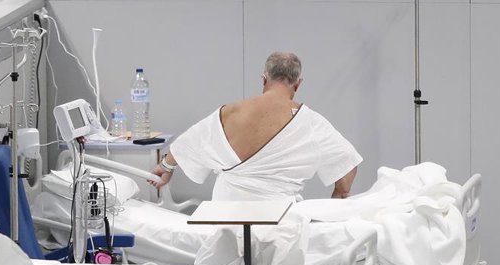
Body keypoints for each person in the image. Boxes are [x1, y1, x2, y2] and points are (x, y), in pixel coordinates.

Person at [150, 52, 362, 202]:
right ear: (298, 84)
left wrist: (166, 167)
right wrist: (340, 195)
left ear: (264, 79)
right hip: (279, 219)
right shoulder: (311, 122)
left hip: (227, 214)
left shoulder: (230, 112)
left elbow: (192, 142)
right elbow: (346, 160)